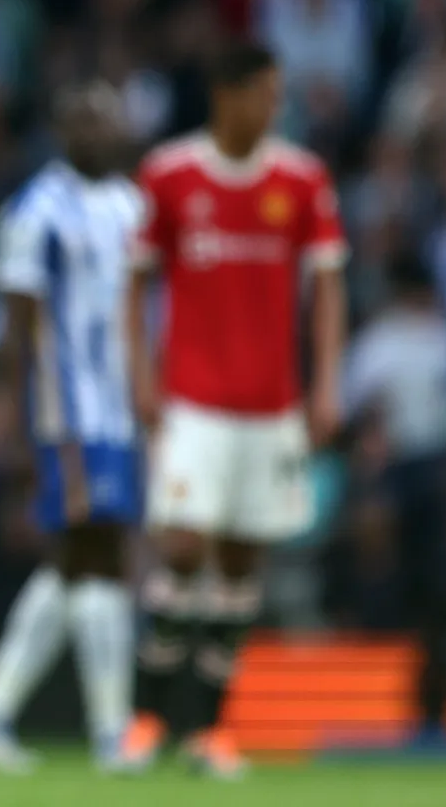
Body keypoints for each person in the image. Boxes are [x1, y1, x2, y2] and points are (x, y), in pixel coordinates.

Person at [120, 42, 347, 777]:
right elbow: (136, 281)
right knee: (184, 548)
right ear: (225, 94)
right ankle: (146, 718)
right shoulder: (170, 173)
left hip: (271, 406)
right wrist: (141, 376)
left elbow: (328, 286)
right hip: (192, 402)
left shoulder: (302, 179)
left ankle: (209, 730)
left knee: (242, 563)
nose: (273, 107)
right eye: (263, 93)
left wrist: (326, 384)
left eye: (277, 94)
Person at [0, 81, 142, 773]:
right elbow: (16, 327)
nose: (99, 131)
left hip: (119, 407)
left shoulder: (131, 205)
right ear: (63, 130)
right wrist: (14, 413)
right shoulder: (35, 211)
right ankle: (111, 731)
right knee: (98, 552)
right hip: (65, 407)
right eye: (85, 120)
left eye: (107, 119)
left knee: (76, 563)